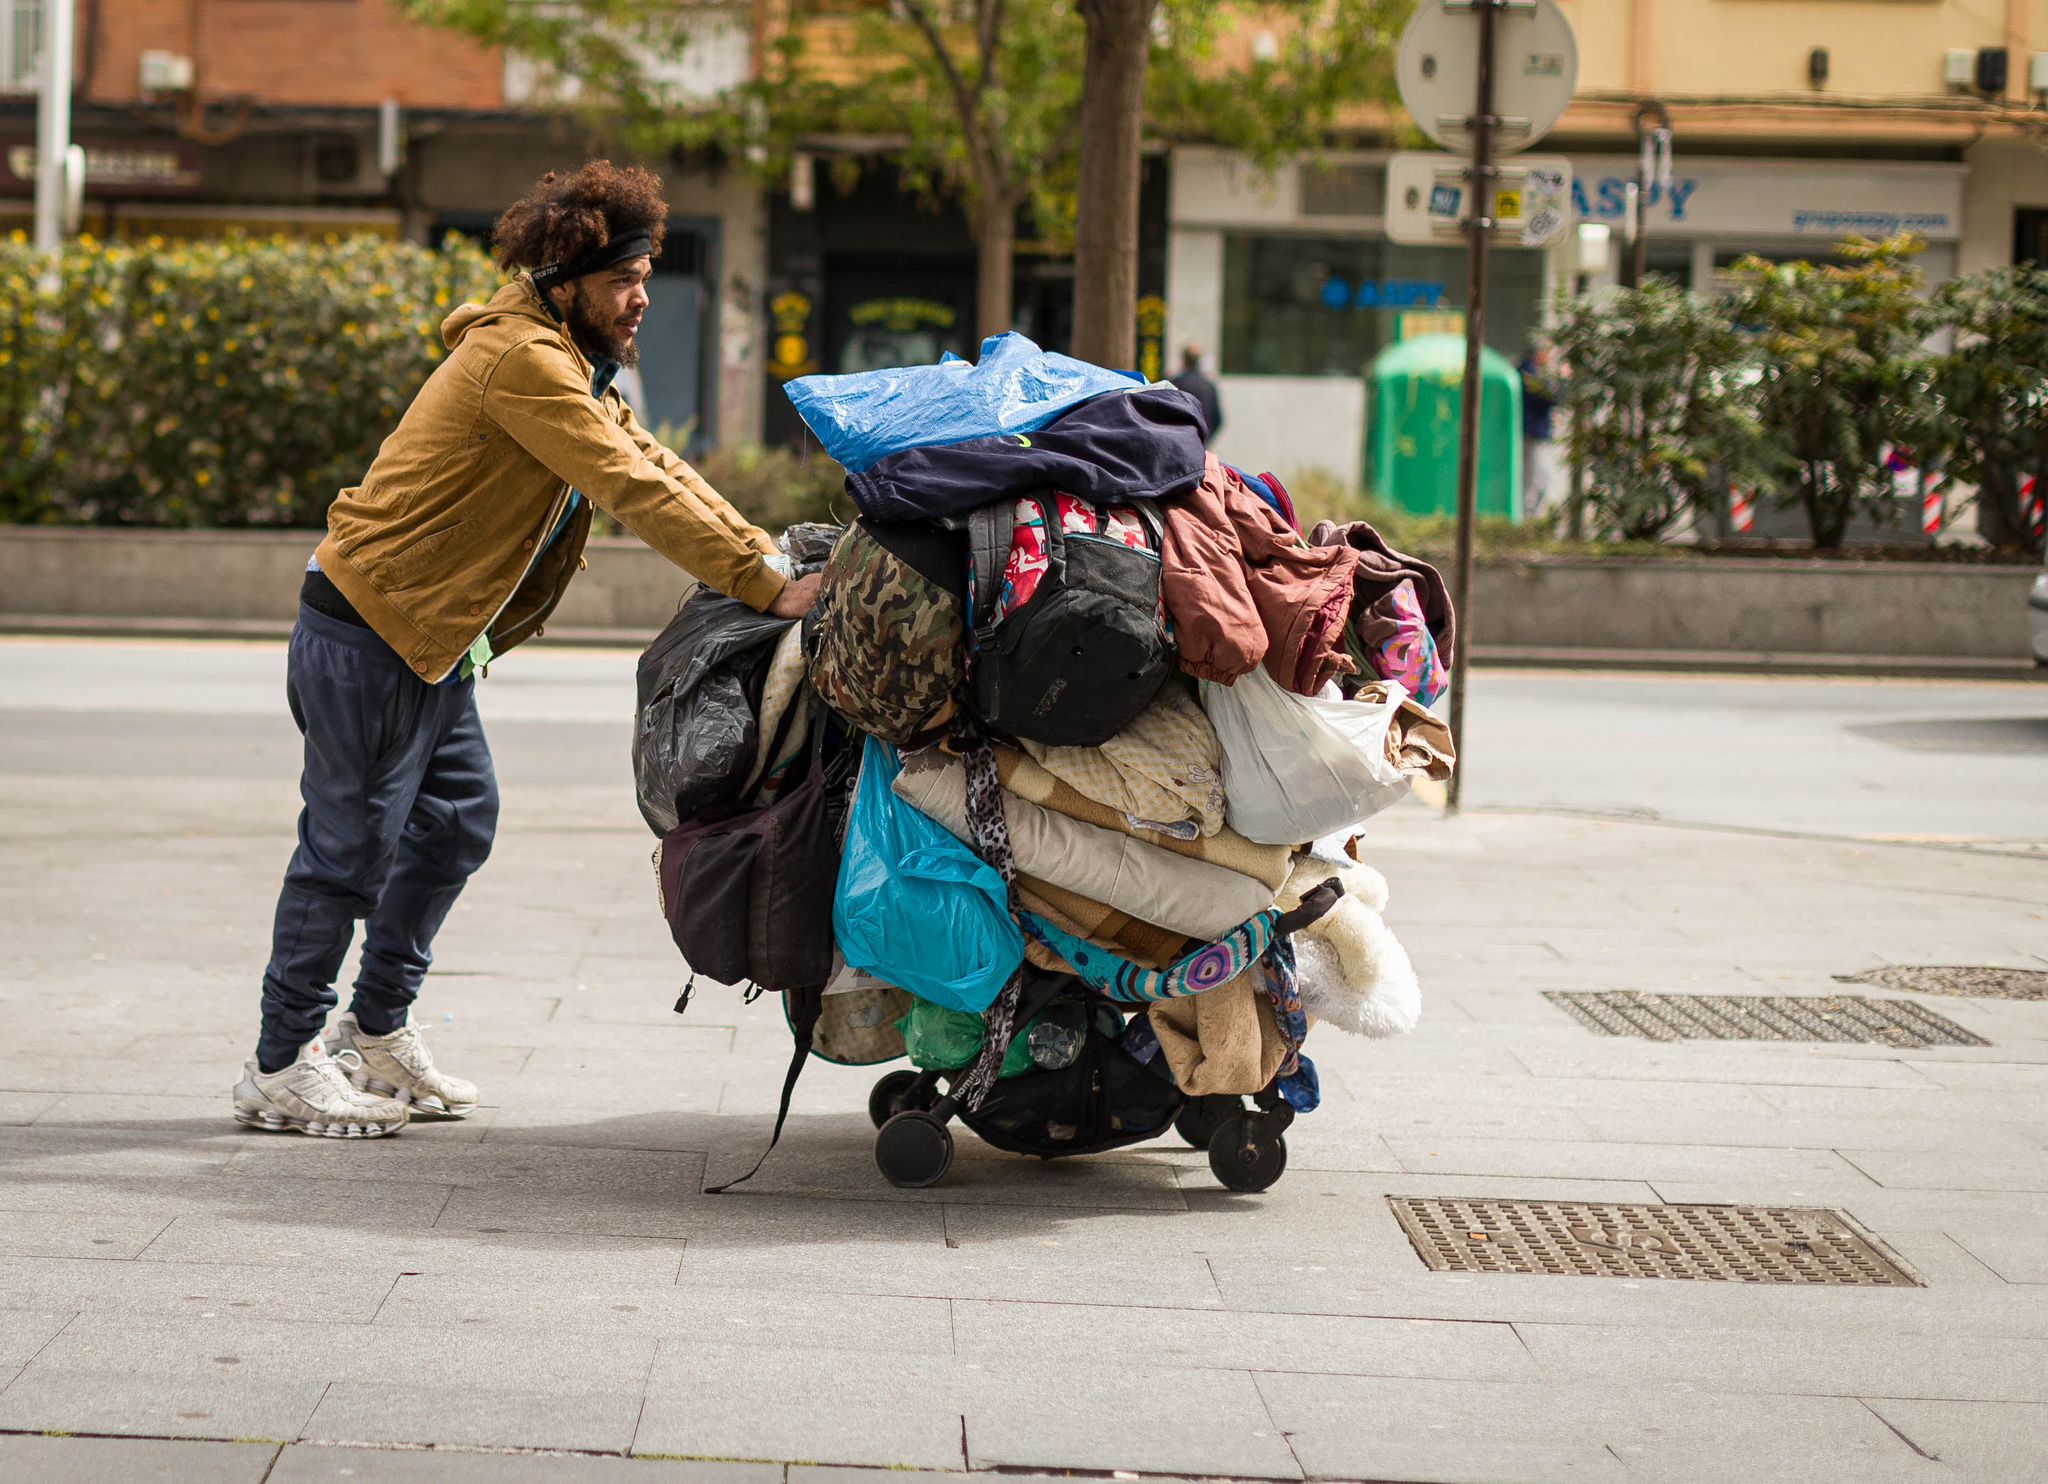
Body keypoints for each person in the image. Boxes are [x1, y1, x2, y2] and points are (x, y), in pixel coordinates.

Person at [233, 161, 821, 1138]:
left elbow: (653, 461)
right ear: (564, 280)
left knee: (457, 821)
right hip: (372, 627)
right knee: (347, 850)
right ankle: (278, 1063)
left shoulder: (566, 356)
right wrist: (764, 585)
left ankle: (373, 1026)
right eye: (625, 279)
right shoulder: (525, 363)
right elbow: (628, 489)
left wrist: (766, 555)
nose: (641, 297)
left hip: (430, 640)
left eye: (645, 274)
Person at [1519, 346, 1557, 520]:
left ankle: (1531, 519)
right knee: (1535, 480)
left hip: (1535, 433)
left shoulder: (1529, 372)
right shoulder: (1528, 373)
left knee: (1538, 480)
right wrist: (1562, 379)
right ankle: (1529, 520)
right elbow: (1550, 398)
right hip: (1532, 434)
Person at [1169, 343, 1223, 445]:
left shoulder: (1173, 384)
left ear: (1184, 360)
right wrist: (1205, 439)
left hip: (1175, 444)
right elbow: (1218, 420)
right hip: (1200, 443)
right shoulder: (1209, 387)